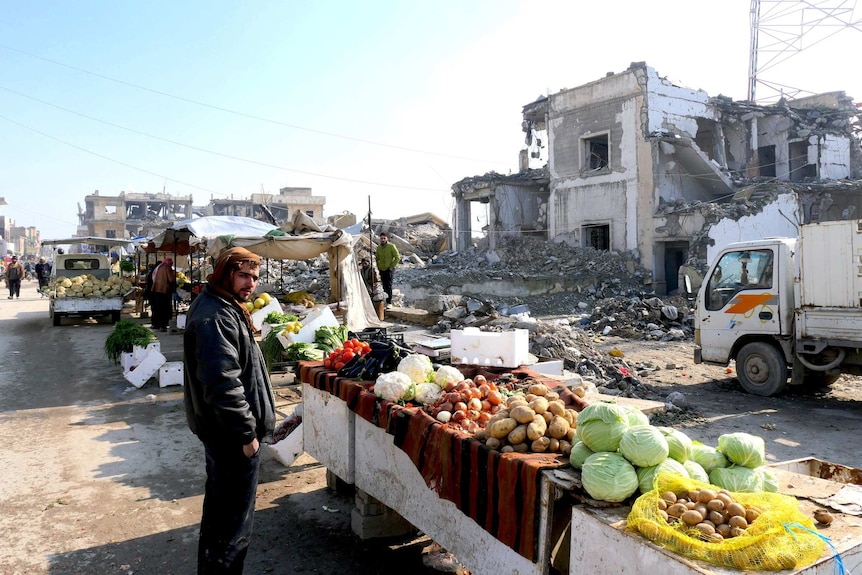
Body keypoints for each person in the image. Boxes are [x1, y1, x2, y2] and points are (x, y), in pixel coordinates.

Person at [183, 247, 275, 574]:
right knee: (231, 527)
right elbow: (222, 383)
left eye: (254, 277)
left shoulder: (224, 306)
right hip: (231, 439)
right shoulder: (215, 316)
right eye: (243, 275)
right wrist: (245, 434)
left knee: (223, 519)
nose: (251, 284)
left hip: (226, 435)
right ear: (225, 273)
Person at [150, 258, 177, 331]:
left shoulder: (159, 267)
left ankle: (156, 324)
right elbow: (171, 279)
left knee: (157, 308)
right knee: (164, 308)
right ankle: (163, 325)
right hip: (163, 290)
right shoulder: (167, 268)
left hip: (155, 289)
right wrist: (174, 273)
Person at [375, 232, 400, 306]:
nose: (382, 240)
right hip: (381, 269)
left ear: (387, 239)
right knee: (384, 285)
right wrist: (378, 266)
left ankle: (389, 302)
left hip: (389, 269)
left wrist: (392, 266)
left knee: (389, 284)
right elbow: (377, 257)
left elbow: (397, 257)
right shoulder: (378, 247)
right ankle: (385, 299)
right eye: (381, 238)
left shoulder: (391, 246)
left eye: (384, 238)